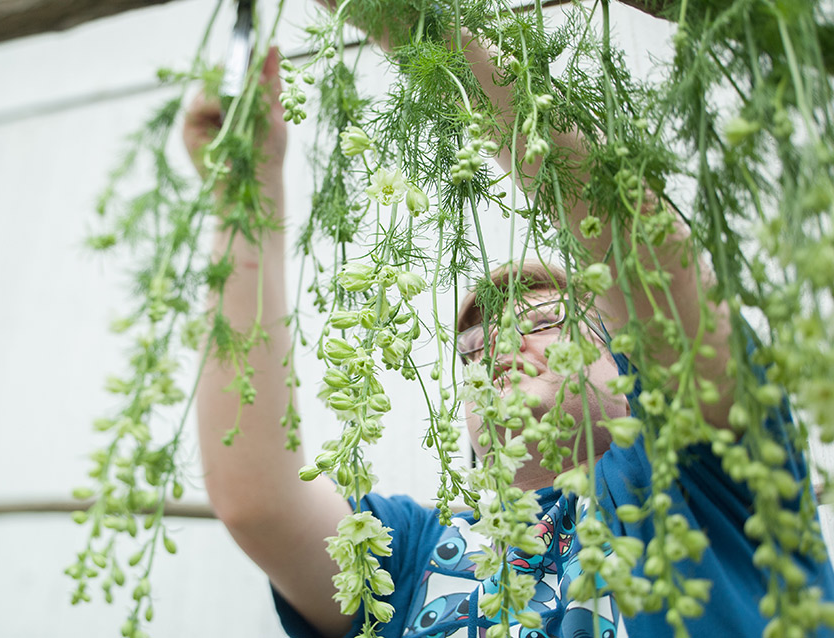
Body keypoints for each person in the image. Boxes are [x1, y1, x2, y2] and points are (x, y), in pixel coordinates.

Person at [185, 26, 834, 638]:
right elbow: (258, 499)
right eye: (471, 352)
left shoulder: (699, 481)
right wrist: (248, 190)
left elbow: (648, 258)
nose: (497, 348)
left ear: (631, 361)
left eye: (545, 321)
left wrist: (417, 27)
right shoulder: (412, 554)